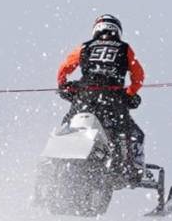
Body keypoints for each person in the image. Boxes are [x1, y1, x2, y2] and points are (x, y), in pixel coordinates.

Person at [56, 14, 147, 178]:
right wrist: (130, 93)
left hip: (84, 97)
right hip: (113, 100)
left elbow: (65, 67)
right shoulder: (124, 48)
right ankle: (129, 168)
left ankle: (55, 163)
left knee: (67, 124)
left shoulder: (85, 47)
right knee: (131, 133)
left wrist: (62, 85)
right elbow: (139, 76)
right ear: (117, 31)